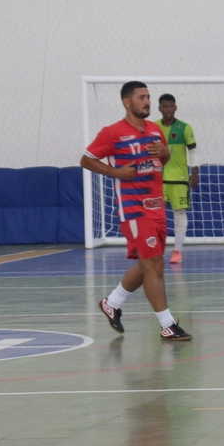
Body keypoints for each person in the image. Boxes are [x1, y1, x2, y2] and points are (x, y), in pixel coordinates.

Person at [81, 81, 192, 341]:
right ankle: (167, 325)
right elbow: (86, 159)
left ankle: (112, 303)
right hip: (134, 210)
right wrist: (115, 172)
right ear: (127, 102)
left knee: (149, 264)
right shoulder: (112, 133)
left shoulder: (154, 129)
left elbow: (161, 160)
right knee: (154, 266)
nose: (147, 101)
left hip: (156, 208)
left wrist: (165, 153)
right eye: (141, 97)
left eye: (148, 97)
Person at [157, 94, 198, 264]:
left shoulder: (185, 128)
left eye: (171, 106)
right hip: (158, 179)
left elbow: (192, 151)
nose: (168, 109)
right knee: (156, 215)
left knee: (179, 213)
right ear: (159, 108)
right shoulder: (153, 127)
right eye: (165, 106)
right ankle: (157, 251)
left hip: (179, 178)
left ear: (175, 107)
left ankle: (177, 251)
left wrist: (194, 172)